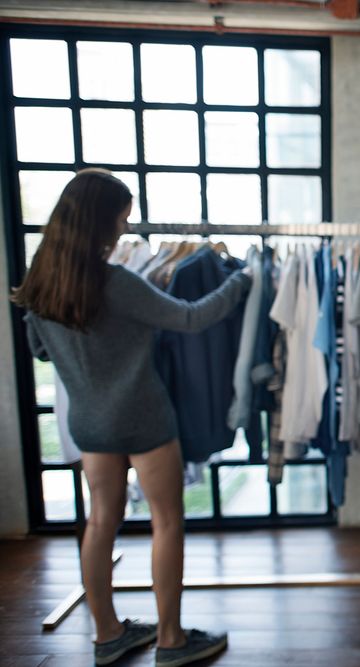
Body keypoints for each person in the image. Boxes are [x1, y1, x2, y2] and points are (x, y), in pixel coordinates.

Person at [12, 168, 249, 666]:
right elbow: (191, 317)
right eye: (121, 217)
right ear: (100, 220)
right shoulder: (115, 282)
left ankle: (107, 634)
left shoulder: (40, 284)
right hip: (142, 418)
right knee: (166, 521)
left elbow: (39, 349)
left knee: (100, 522)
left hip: (88, 423)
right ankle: (171, 639)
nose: (125, 226)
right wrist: (243, 281)